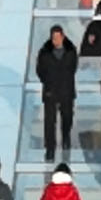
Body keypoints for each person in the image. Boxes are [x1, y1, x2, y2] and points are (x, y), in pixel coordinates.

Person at [36, 25, 80, 158]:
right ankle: (50, 147)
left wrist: (65, 79)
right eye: (53, 38)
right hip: (50, 90)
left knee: (67, 117)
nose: (56, 40)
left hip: (66, 90)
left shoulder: (71, 51)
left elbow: (73, 68)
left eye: (58, 37)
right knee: (49, 121)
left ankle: (66, 136)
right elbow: (40, 70)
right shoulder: (44, 52)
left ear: (63, 36)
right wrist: (48, 80)